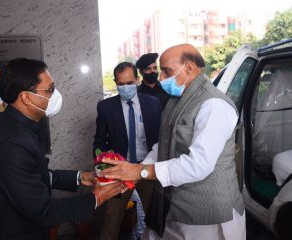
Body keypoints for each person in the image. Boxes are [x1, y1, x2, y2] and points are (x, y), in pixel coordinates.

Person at [101, 44, 246, 240]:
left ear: (189, 67)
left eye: (166, 71)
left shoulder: (214, 105)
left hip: (208, 215)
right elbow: (164, 143)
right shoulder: (176, 100)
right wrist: (136, 171)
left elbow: (198, 165)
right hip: (175, 205)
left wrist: (142, 171)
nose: (161, 78)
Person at [0, 58, 127, 240]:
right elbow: (43, 211)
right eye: (50, 90)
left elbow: (32, 175)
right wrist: (97, 197)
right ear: (26, 97)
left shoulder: (15, 125)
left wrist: (81, 177)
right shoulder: (12, 141)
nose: (55, 95)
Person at [93, 62, 162, 240]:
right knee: (112, 217)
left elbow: (161, 137)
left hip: (147, 168)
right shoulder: (106, 107)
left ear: (137, 80)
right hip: (120, 169)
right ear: (115, 82)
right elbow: (100, 140)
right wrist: (102, 165)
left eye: (130, 83)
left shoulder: (153, 103)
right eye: (121, 84)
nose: (125, 88)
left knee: (154, 216)